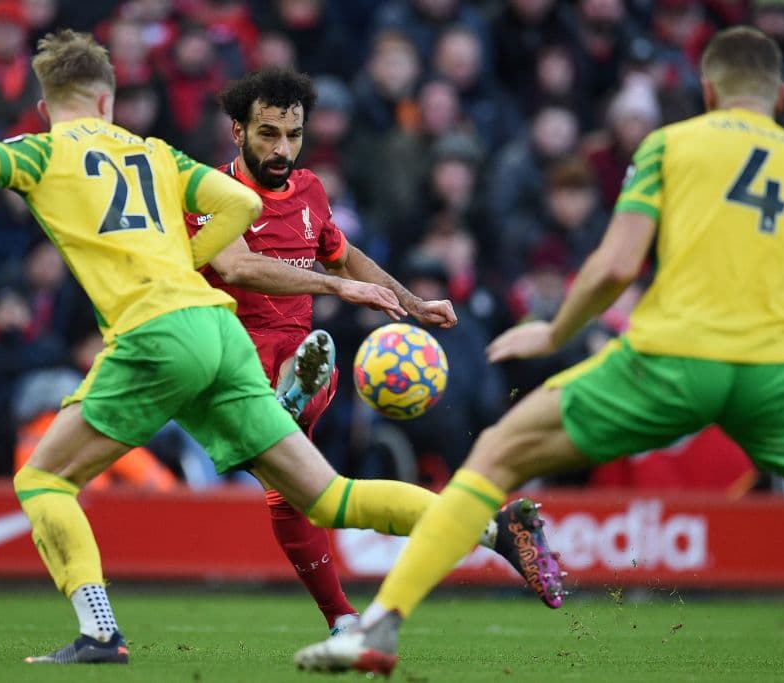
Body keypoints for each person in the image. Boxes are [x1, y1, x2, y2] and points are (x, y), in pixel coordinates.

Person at [0, 30, 560, 666]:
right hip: (218, 326)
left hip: (154, 334)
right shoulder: (150, 150)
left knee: (43, 478)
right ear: (110, 98)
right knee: (330, 497)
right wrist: (196, 259)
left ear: (46, 102)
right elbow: (238, 201)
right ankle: (498, 526)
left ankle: (98, 633)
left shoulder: (39, 152)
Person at [294, 25, 784, 676]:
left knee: (497, 452)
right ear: (780, 95)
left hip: (673, 356)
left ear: (705, 90)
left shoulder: (670, 144)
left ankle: (377, 629)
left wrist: (554, 332)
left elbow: (615, 266)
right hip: (773, 371)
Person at [187, 67, 556, 637]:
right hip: (229, 351)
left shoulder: (309, 190)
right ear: (236, 131)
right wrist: (335, 287)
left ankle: (342, 615)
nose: (283, 148)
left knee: (304, 501)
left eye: (294, 134)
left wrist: (410, 302)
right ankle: (489, 529)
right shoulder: (210, 189)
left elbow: (343, 253)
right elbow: (234, 264)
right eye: (268, 135)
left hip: (295, 348)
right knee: (313, 499)